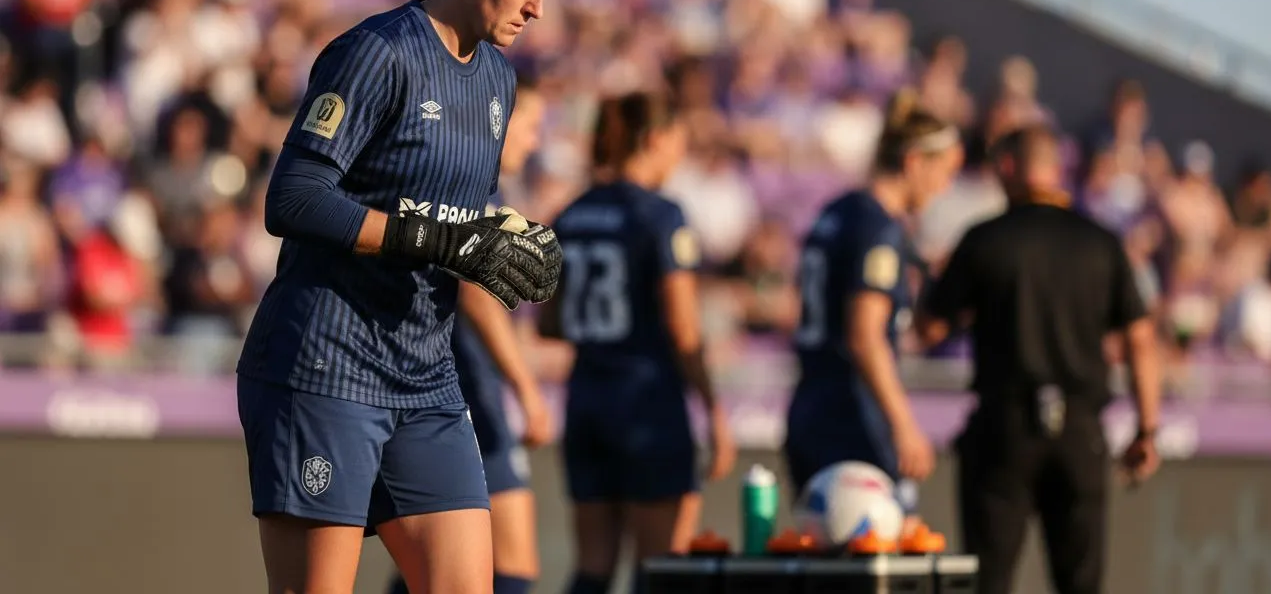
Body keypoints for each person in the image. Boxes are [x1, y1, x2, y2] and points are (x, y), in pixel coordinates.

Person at [234, 0, 583, 594]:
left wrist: (500, 243)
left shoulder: (497, 80)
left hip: (426, 377)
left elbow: (455, 222)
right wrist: (434, 241)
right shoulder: (377, 52)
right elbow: (293, 198)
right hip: (325, 367)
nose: (537, 7)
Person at [915, 125, 1163, 594]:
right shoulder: (1100, 242)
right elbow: (1141, 338)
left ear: (1009, 166)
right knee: (1080, 582)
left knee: (989, 580)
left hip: (1004, 430)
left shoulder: (985, 239)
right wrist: (1147, 429)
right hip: (1080, 432)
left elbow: (930, 328)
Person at [540, 91, 737, 594]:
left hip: (586, 399)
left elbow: (550, 324)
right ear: (655, 139)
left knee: (592, 568)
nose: (680, 155)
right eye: (679, 142)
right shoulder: (661, 215)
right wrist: (714, 410)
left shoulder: (573, 214)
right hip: (648, 403)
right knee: (661, 567)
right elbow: (683, 328)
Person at [387, 74, 553, 594]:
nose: (535, 141)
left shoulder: (473, 182)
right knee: (511, 562)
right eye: (530, 126)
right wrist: (526, 389)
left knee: (437, 561)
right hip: (464, 392)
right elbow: (477, 294)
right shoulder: (473, 184)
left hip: (443, 386)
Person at [784, 89, 961, 526]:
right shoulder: (877, 228)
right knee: (887, 549)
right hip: (853, 416)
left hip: (809, 406)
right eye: (944, 171)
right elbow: (865, 336)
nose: (945, 187)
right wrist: (903, 425)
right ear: (914, 162)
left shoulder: (836, 213)